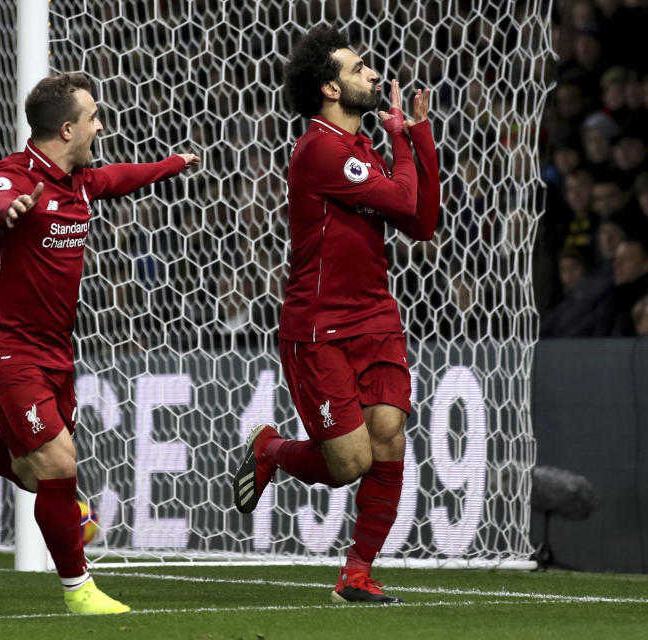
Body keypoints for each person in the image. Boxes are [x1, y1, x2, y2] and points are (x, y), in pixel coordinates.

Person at [0, 73, 200, 615]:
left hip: (55, 352)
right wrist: (7, 212)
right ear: (68, 127)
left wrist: (172, 164)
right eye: (94, 117)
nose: (101, 125)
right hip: (1, 346)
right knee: (57, 463)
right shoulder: (10, 176)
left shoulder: (80, 181)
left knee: (33, 472)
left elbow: (121, 177)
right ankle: (79, 592)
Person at [232, 26, 439, 604]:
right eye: (358, 69)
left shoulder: (362, 149)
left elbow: (422, 225)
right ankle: (269, 448)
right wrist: (402, 139)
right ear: (329, 88)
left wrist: (418, 135)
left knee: (390, 437)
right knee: (349, 463)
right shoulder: (320, 148)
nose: (373, 74)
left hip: (375, 318)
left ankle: (356, 574)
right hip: (319, 328)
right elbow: (402, 200)